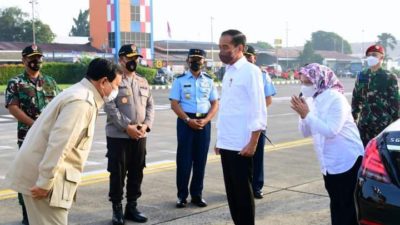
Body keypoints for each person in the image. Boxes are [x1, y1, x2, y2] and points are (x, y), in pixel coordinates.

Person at [5, 58, 123, 225]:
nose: (116, 90)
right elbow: (60, 144)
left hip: (46, 178)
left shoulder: (79, 93)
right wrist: (44, 182)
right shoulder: (82, 102)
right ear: (104, 81)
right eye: (116, 85)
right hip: (45, 183)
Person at [290, 63, 364, 225]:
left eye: (308, 82)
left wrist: (307, 115)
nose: (304, 86)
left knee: (346, 206)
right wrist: (302, 116)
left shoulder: (336, 99)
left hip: (346, 160)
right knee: (336, 204)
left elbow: (331, 131)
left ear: (320, 80)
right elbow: (305, 132)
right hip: (328, 162)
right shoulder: (311, 100)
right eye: (302, 82)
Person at [4, 44, 61, 225]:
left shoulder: (50, 82)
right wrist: (35, 124)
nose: (36, 61)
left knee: (49, 173)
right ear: (24, 60)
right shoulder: (16, 83)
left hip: (50, 138)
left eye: (39, 58)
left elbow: (59, 107)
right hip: (27, 137)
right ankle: (27, 216)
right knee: (28, 176)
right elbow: (13, 107)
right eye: (32, 58)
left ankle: (45, 212)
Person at [215, 29, 267, 225]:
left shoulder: (251, 71)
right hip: (227, 142)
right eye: (220, 47)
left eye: (225, 47)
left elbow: (258, 109)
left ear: (240, 48)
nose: (222, 51)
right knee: (232, 193)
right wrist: (219, 139)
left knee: (243, 194)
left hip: (242, 144)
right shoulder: (228, 71)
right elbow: (227, 108)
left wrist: (253, 142)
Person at [104, 44, 154, 225]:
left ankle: (131, 207)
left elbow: (150, 106)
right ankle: (116, 209)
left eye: (137, 58)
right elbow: (110, 107)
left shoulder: (142, 81)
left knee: (137, 171)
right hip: (119, 137)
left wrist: (146, 126)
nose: (134, 61)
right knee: (117, 173)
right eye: (131, 58)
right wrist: (127, 127)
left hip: (140, 135)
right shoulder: (113, 80)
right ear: (122, 59)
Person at [169, 48, 219, 208]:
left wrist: (206, 120)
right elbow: (174, 104)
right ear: (187, 61)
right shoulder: (180, 80)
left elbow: (215, 103)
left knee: (200, 160)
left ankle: (197, 195)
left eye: (199, 59)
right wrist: (188, 119)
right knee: (184, 160)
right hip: (186, 122)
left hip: (204, 122)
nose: (196, 62)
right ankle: (182, 196)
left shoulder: (209, 81)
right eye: (193, 59)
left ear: (204, 61)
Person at [243, 45, 276, 199]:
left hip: (256, 121)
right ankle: (243, 186)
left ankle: (256, 187)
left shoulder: (262, 75)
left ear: (254, 58)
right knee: (240, 156)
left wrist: (253, 111)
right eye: (244, 56)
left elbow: (268, 100)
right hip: (240, 123)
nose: (247, 59)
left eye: (249, 56)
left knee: (257, 155)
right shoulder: (236, 74)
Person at [352, 44, 400, 147]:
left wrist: (396, 125)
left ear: (381, 57)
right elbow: (356, 99)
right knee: (364, 153)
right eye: (368, 55)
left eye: (374, 55)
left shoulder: (390, 77)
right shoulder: (361, 75)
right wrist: (353, 119)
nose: (370, 57)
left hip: (383, 125)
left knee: (381, 155)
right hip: (364, 124)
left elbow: (395, 103)